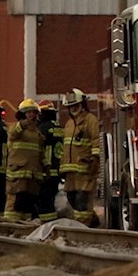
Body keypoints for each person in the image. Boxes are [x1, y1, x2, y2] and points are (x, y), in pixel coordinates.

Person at [58, 90, 100, 226]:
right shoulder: (69, 124)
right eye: (70, 106)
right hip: (70, 171)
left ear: (82, 104)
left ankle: (84, 226)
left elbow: (96, 141)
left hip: (85, 168)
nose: (73, 109)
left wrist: (95, 159)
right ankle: (91, 220)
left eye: (76, 105)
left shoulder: (90, 120)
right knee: (71, 198)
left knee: (82, 199)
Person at [4, 99, 45, 222]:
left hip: (33, 174)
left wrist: (46, 167)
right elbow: (13, 133)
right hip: (18, 173)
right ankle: (9, 225)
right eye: (28, 112)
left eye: (34, 112)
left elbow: (40, 152)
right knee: (14, 202)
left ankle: (24, 227)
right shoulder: (16, 129)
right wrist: (23, 124)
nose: (32, 115)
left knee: (28, 203)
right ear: (22, 114)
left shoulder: (37, 133)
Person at [37, 98, 64, 222]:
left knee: (44, 203)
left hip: (46, 170)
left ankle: (46, 225)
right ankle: (52, 222)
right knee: (51, 200)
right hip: (57, 170)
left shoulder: (43, 128)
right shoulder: (59, 127)